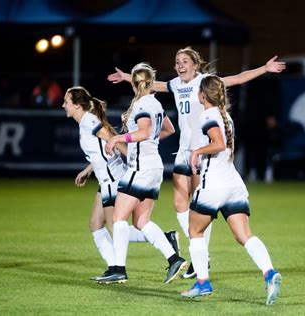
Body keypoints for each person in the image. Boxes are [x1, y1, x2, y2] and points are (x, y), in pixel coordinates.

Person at [107, 47, 286, 278]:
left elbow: (238, 79)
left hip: (203, 153)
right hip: (184, 151)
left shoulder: (205, 82)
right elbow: (152, 84)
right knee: (180, 205)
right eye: (177, 61)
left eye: (185, 61)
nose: (180, 65)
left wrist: (265, 68)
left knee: (201, 205)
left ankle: (202, 257)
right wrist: (126, 78)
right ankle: (200, 253)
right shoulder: (176, 84)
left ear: (195, 65)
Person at [180, 75, 281, 305]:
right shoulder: (225, 115)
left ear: (202, 95)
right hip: (233, 184)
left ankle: (203, 283)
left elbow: (218, 144)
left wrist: (197, 152)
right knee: (244, 235)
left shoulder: (207, 115)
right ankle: (269, 273)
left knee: (194, 231)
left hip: (212, 184)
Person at [63, 86, 180, 281]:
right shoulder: (86, 122)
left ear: (76, 105)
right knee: (95, 225)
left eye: (66, 101)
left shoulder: (89, 121)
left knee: (116, 226)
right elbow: (102, 149)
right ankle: (113, 268)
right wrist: (87, 170)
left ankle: (158, 244)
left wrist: (132, 160)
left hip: (113, 179)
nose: (63, 105)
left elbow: (112, 140)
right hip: (105, 179)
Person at [100, 62, 188, 284]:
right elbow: (169, 129)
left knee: (118, 218)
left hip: (140, 167)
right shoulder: (155, 103)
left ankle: (118, 268)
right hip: (154, 165)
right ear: (150, 83)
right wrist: (147, 142)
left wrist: (118, 137)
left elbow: (144, 131)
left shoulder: (142, 104)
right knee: (141, 221)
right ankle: (174, 258)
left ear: (135, 84)